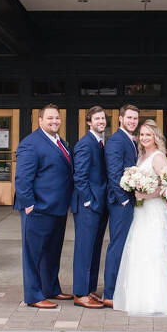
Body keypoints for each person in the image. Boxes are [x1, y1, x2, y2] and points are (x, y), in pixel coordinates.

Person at [112, 118, 167, 317]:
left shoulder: (158, 157)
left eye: (148, 134)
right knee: (140, 252)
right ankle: (138, 298)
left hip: (154, 210)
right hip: (140, 211)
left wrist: (145, 195)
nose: (144, 137)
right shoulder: (140, 155)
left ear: (156, 136)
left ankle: (156, 300)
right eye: (142, 134)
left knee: (154, 252)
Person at [14, 105, 73, 308]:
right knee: (34, 255)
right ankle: (34, 296)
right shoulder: (31, 144)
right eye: (50, 118)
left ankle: (51, 289)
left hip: (57, 208)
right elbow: (22, 178)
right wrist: (29, 204)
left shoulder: (60, 142)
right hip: (38, 209)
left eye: (57, 118)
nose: (54, 121)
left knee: (52, 253)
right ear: (40, 120)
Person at [102, 101, 140, 307]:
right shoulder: (116, 140)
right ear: (120, 118)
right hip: (120, 202)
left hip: (130, 200)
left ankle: (122, 287)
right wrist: (124, 200)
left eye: (135, 118)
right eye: (129, 118)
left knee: (127, 245)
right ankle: (109, 293)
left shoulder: (131, 140)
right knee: (118, 245)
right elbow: (114, 173)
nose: (132, 121)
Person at [71, 105, 108, 307]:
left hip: (99, 205)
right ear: (89, 122)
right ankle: (80, 293)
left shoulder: (101, 142)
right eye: (97, 119)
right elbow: (80, 176)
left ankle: (90, 289)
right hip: (88, 206)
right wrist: (88, 201)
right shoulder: (85, 144)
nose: (101, 121)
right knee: (84, 249)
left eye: (103, 118)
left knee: (94, 249)